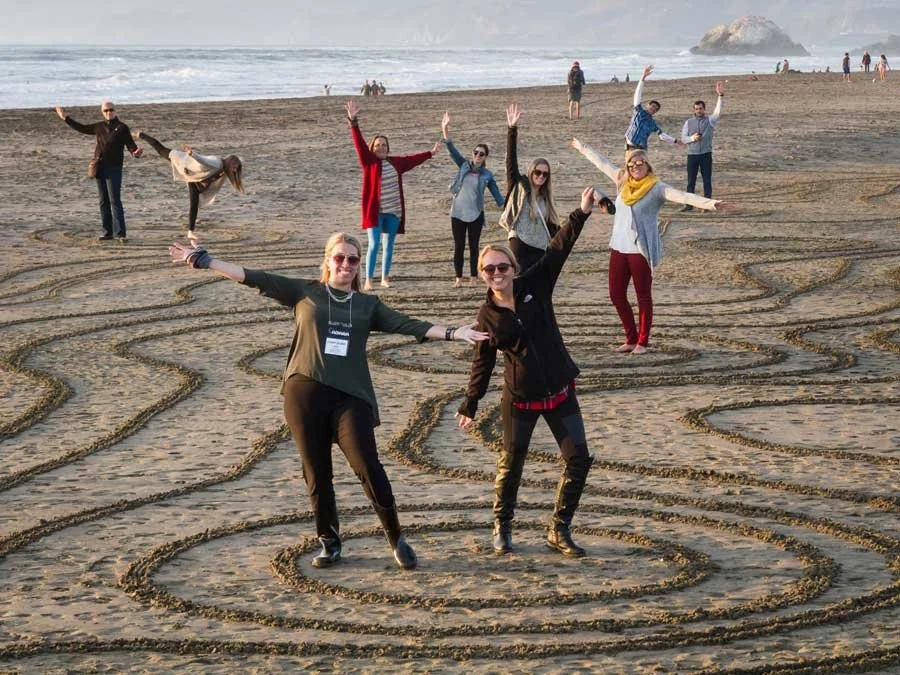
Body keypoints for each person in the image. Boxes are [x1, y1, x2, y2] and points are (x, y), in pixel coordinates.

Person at [167, 232, 487, 570]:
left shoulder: (368, 305)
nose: (345, 264)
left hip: (351, 397)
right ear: (327, 261)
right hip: (304, 393)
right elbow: (255, 277)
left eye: (352, 259)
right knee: (317, 471)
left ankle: (396, 537)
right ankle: (329, 541)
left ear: (359, 265)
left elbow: (409, 324)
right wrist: (207, 260)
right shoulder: (307, 291)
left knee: (368, 466)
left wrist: (454, 332)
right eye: (339, 258)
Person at [456, 187, 607, 557]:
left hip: (559, 391)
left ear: (513, 268)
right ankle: (501, 527)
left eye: (502, 267)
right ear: (482, 275)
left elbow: (557, 250)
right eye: (489, 269)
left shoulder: (534, 286)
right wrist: (470, 402)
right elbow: (483, 362)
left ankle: (559, 529)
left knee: (579, 460)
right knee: (511, 466)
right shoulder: (486, 317)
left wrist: (581, 212)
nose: (497, 273)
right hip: (519, 400)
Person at [571, 141, 732, 354]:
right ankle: (630, 338)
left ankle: (642, 342)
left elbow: (683, 197)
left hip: (640, 250)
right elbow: (602, 163)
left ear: (647, 165)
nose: (635, 167)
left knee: (643, 296)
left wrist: (711, 204)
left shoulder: (657, 187)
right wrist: (582, 147)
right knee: (616, 294)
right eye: (632, 164)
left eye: (640, 163)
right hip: (618, 248)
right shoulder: (622, 181)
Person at [346, 100, 439, 290]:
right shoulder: (369, 162)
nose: (381, 147)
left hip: (394, 211)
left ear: (388, 148)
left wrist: (430, 153)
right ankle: (369, 280)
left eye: (384, 145)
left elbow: (412, 160)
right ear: (373, 148)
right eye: (378, 145)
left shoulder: (396, 162)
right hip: (375, 212)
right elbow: (359, 144)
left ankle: (385, 278)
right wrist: (353, 122)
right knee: (374, 244)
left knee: (389, 246)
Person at [55, 102, 143, 241]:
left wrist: (136, 153)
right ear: (102, 112)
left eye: (111, 109)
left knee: (115, 201)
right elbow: (82, 128)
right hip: (100, 167)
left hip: (114, 168)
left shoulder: (122, 128)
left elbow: (131, 146)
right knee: (103, 201)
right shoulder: (99, 126)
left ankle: (120, 234)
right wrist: (65, 118)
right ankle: (107, 232)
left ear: (115, 110)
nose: (109, 112)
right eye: (105, 110)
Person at [136, 131, 243, 242]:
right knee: (161, 150)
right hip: (183, 161)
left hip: (192, 177)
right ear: (230, 163)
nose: (235, 170)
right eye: (234, 167)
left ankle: (190, 232)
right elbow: (204, 160)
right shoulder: (217, 163)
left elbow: (235, 162)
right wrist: (193, 154)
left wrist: (238, 162)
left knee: (194, 205)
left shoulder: (224, 166)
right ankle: (141, 134)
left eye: (237, 167)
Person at [440, 111, 505, 287]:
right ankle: (458, 278)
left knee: (474, 247)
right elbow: (452, 149)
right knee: (459, 246)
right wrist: (445, 129)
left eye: (481, 154)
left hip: (476, 214)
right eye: (476, 152)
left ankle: (473, 277)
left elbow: (498, 196)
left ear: (485, 157)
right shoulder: (463, 165)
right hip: (457, 213)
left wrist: (510, 204)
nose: (478, 155)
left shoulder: (487, 175)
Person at [499, 103, 561, 273]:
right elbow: (511, 162)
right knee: (518, 286)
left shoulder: (546, 199)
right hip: (519, 244)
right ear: (531, 171)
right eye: (537, 172)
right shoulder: (520, 186)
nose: (540, 176)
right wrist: (512, 128)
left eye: (545, 174)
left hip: (540, 250)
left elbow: (554, 227)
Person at [678, 80, 725, 211]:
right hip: (692, 155)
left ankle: (707, 205)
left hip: (705, 155)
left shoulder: (710, 120)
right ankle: (688, 205)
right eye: (697, 109)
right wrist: (692, 138)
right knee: (690, 182)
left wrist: (720, 96)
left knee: (707, 181)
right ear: (694, 110)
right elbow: (683, 138)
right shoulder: (688, 122)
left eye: (701, 108)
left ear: (704, 109)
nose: (699, 110)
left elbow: (718, 112)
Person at [625, 65, 680, 150]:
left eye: (656, 109)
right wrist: (643, 77)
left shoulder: (653, 123)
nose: (654, 109)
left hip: (642, 148)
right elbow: (637, 95)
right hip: (630, 146)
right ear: (648, 105)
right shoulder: (638, 111)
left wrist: (675, 141)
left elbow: (662, 135)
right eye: (653, 106)